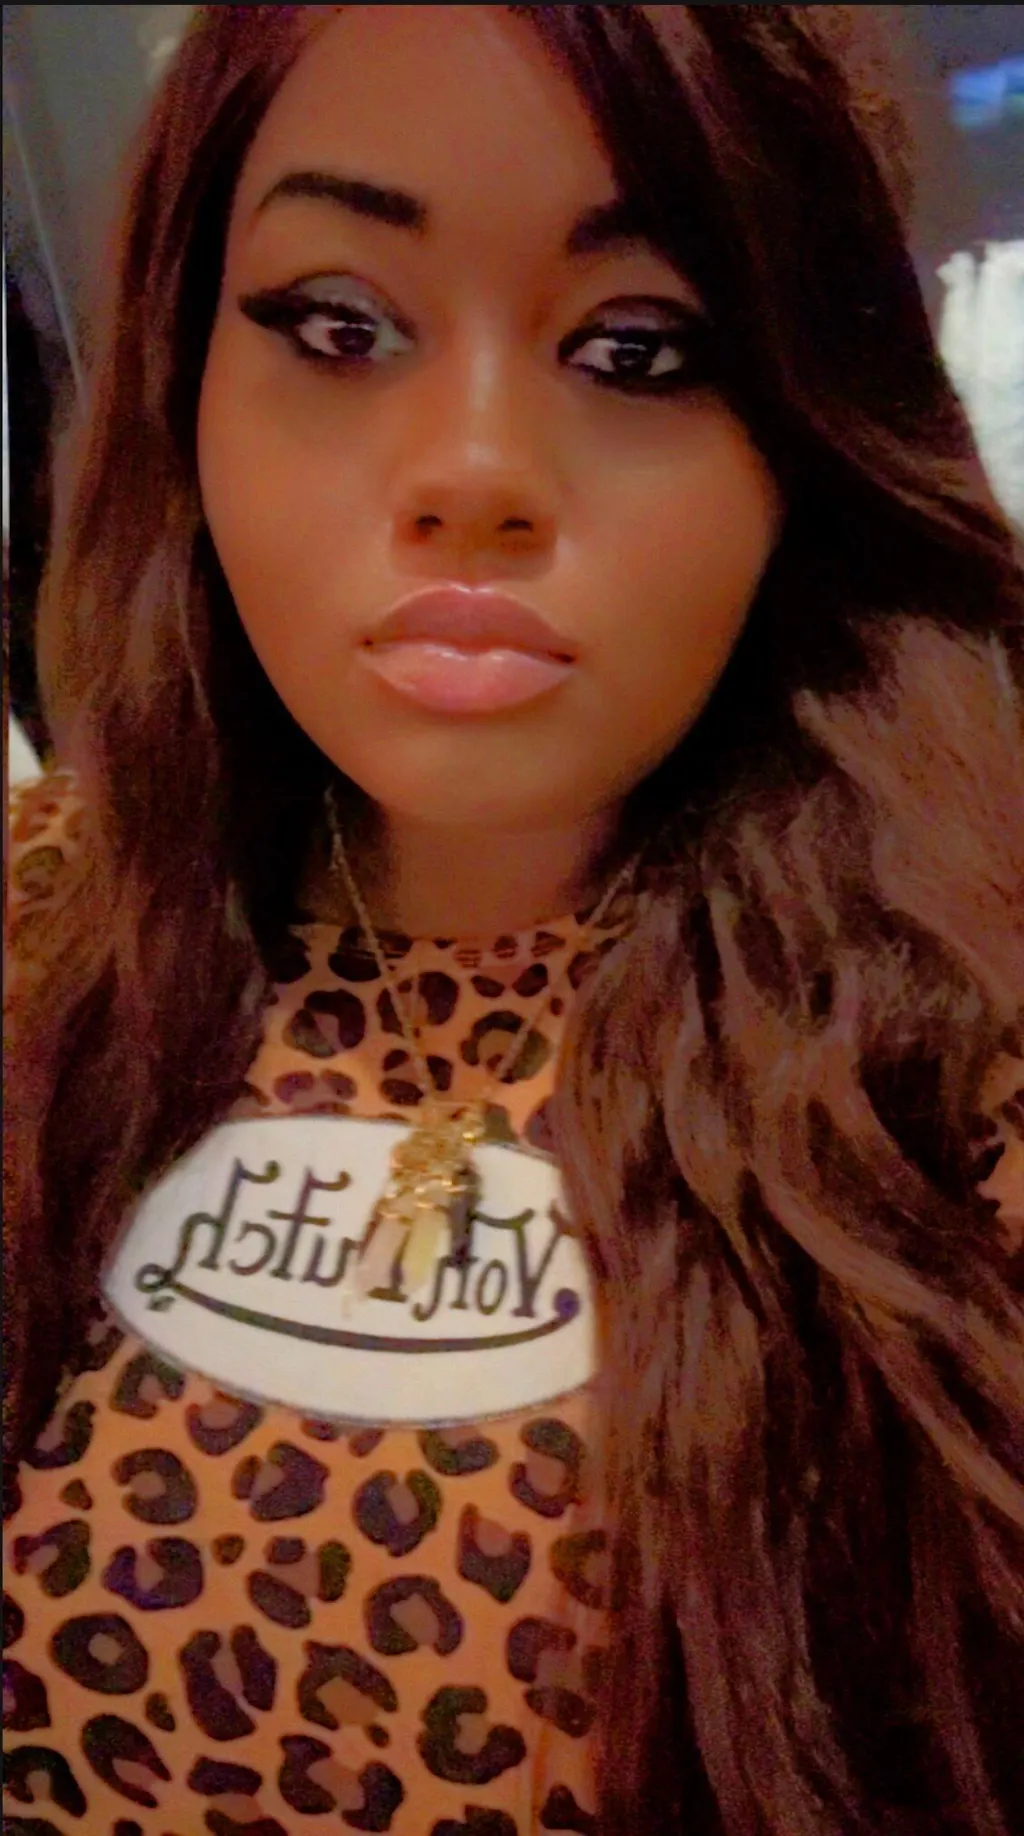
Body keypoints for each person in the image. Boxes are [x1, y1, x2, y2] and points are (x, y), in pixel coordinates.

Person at [3, 7, 1022, 1833]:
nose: (473, 471)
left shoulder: (962, 1068)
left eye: (637, 349)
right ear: (183, 371)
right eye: (340, 323)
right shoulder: (42, 940)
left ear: (803, 435)